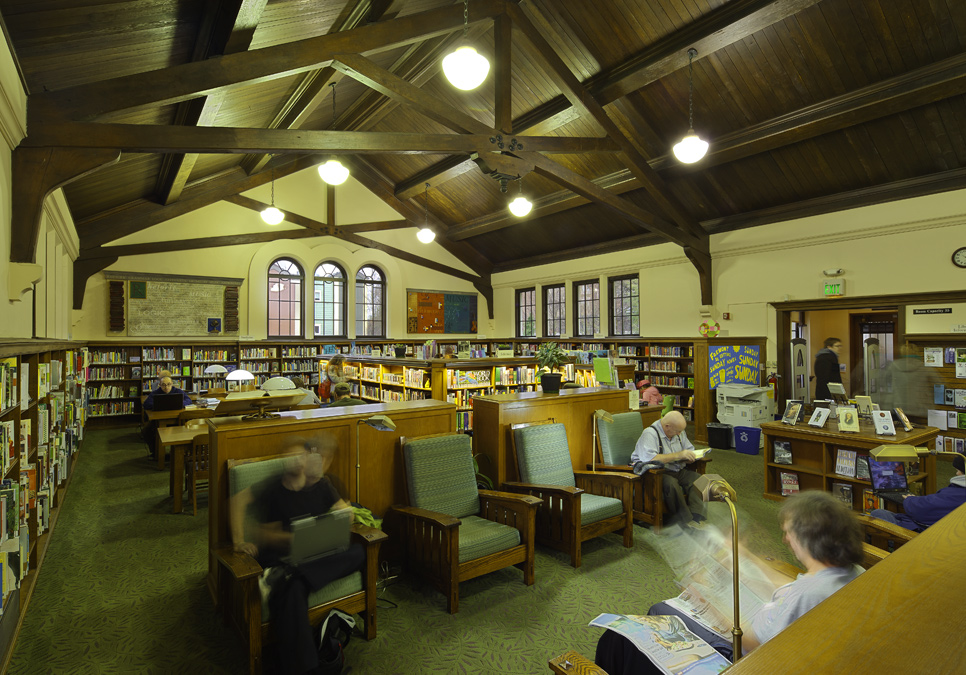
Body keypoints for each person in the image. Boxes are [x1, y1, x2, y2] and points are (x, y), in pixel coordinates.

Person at [595, 491, 864, 671]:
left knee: (655, 614)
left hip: (745, 656)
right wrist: (744, 558)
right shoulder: (848, 572)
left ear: (808, 538)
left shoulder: (807, 594)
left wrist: (707, 598)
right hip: (781, 632)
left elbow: (751, 641)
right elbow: (789, 587)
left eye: (788, 534)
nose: (785, 541)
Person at [231, 434, 363, 675]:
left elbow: (348, 515)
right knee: (293, 592)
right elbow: (239, 503)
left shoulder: (320, 483)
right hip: (282, 558)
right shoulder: (273, 487)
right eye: (289, 455)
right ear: (283, 459)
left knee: (358, 552)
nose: (295, 460)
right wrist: (239, 541)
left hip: (312, 558)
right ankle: (310, 670)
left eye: (299, 455)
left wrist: (339, 518)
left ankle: (291, 575)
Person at [629, 410, 704, 528]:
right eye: (677, 431)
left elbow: (689, 449)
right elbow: (650, 459)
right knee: (671, 483)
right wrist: (679, 455)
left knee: (699, 479)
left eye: (681, 431)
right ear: (667, 426)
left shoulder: (679, 432)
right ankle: (685, 521)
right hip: (653, 473)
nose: (680, 434)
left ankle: (697, 516)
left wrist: (690, 456)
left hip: (676, 468)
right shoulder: (650, 433)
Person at [870, 454, 965, 532]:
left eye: (958, 471)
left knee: (877, 514)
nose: (956, 474)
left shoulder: (957, 493)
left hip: (925, 536)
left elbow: (925, 508)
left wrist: (909, 500)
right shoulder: (958, 492)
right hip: (941, 529)